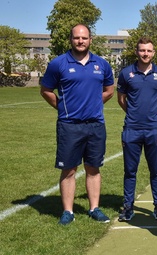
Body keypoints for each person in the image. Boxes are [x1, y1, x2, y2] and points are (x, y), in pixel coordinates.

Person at [40, 24, 114, 225]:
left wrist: (95, 105)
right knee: (69, 170)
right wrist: (62, 107)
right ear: (71, 40)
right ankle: (68, 211)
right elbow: (46, 90)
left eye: (84, 38)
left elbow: (109, 90)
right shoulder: (58, 64)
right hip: (69, 126)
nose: (80, 41)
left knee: (93, 168)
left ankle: (94, 208)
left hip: (95, 125)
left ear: (90, 39)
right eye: (76, 38)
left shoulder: (102, 64)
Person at [117, 37, 157, 221]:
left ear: (153, 53)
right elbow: (121, 99)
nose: (145, 54)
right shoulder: (126, 73)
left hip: (154, 130)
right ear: (136, 52)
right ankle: (127, 206)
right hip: (131, 129)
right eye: (142, 50)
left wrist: (152, 115)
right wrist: (134, 114)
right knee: (130, 170)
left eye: (148, 50)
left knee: (155, 169)